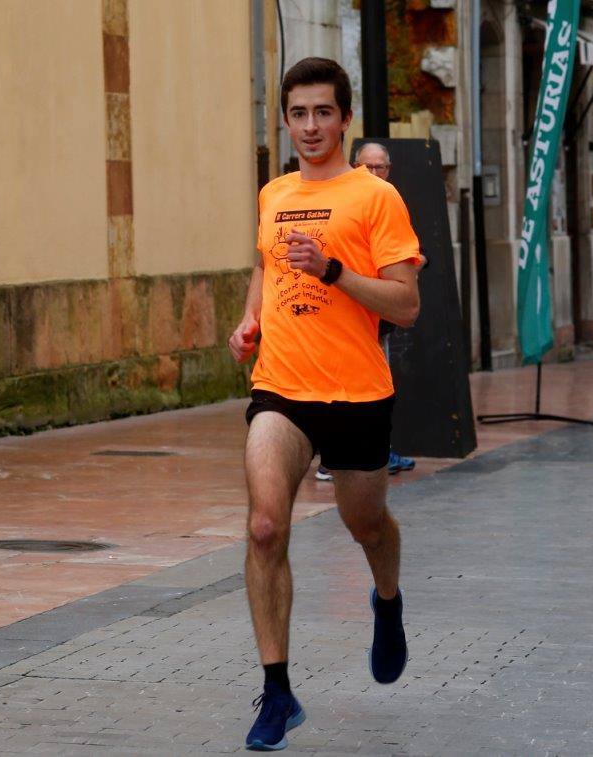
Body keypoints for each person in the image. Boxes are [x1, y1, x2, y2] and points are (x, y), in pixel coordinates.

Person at [228, 57, 421, 751]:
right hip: (281, 388)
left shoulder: (375, 198)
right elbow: (265, 265)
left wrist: (336, 271)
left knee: (366, 525)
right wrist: (249, 321)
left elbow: (406, 303)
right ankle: (277, 690)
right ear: (285, 118)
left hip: (357, 393)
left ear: (344, 117)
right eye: (298, 113)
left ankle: (388, 600)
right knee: (262, 526)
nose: (310, 126)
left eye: (323, 112)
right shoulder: (274, 193)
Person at [313, 143, 417, 481]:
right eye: (367, 166)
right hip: (332, 319)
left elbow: (408, 261)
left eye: (380, 167)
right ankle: (331, 460)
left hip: (376, 320)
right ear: (355, 165)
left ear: (390, 169)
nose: (374, 174)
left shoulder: (388, 201)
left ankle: (373, 454)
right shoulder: (337, 200)